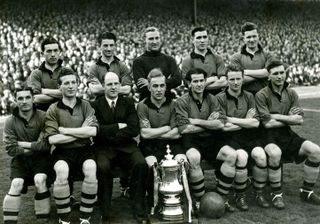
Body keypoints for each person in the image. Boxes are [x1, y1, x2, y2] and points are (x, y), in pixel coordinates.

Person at [255, 60, 320, 209]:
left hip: (286, 134)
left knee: (315, 151)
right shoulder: (261, 94)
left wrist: (276, 116)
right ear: (269, 77)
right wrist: (289, 118)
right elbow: (267, 124)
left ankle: (306, 191)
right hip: (267, 135)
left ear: (285, 73)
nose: (279, 76)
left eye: (281, 72)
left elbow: (299, 120)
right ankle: (276, 194)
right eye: (275, 73)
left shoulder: (291, 93)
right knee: (275, 153)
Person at [174, 68, 236, 212]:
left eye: (202, 80)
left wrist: (195, 121)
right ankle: (200, 200)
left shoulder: (212, 99)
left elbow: (220, 123)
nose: (199, 84)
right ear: (189, 83)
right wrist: (209, 124)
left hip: (212, 139)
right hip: (192, 140)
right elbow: (184, 129)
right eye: (195, 81)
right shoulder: (182, 101)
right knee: (194, 158)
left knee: (232, 155)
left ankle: (221, 199)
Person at [91, 72, 148, 224]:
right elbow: (96, 131)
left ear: (120, 85)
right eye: (109, 84)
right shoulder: (95, 104)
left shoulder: (128, 102)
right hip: (104, 148)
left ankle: (139, 208)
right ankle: (106, 212)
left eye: (116, 83)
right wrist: (117, 126)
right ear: (103, 86)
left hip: (126, 147)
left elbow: (134, 128)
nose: (113, 87)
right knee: (102, 167)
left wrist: (110, 133)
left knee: (141, 164)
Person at [44, 69, 98, 224]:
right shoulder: (53, 109)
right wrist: (82, 130)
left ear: (78, 84)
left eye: (73, 82)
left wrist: (66, 130)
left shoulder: (86, 105)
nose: (70, 86)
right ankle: (64, 218)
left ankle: (85, 217)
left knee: (91, 168)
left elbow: (93, 131)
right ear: (60, 87)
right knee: (61, 170)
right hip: (62, 152)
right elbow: (54, 139)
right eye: (66, 83)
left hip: (84, 150)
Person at [216, 65, 270, 211]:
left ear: (243, 79)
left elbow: (255, 123)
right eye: (232, 79)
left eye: (238, 79)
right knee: (242, 156)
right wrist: (245, 121)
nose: (235, 82)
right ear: (226, 80)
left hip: (249, 137)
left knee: (261, 156)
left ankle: (259, 194)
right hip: (228, 139)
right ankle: (240, 196)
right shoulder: (219, 98)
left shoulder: (249, 96)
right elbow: (223, 126)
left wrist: (231, 119)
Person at [137, 68, 187, 211]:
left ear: (166, 86)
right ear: (149, 87)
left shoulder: (173, 104)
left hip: (172, 144)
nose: (159, 90)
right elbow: (145, 134)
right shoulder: (142, 105)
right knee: (152, 167)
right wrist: (166, 128)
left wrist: (155, 132)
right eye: (155, 86)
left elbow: (176, 134)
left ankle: (179, 199)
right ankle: (155, 202)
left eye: (162, 86)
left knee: (183, 162)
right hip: (149, 145)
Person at [2, 84, 51, 223]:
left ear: (33, 99)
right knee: (16, 183)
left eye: (27, 97)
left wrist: (22, 144)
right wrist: (35, 147)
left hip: (41, 159)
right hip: (20, 160)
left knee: (40, 180)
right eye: (20, 98)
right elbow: (11, 149)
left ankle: (43, 220)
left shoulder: (43, 116)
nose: (24, 101)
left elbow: (46, 145)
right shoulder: (10, 121)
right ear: (16, 100)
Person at [132, 26, 181, 101]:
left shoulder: (169, 59)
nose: (154, 42)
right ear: (144, 41)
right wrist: (167, 82)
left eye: (157, 38)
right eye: (151, 39)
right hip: (147, 104)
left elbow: (177, 80)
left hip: (167, 102)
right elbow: (142, 88)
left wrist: (149, 82)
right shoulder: (138, 61)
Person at [28, 37, 74, 111]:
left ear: (60, 52)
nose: (53, 54)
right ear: (42, 54)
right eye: (49, 51)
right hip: (43, 115)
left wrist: (44, 91)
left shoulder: (67, 71)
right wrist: (60, 94)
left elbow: (70, 94)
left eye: (55, 51)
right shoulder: (36, 73)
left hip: (65, 114)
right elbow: (35, 98)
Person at [230, 22, 275, 95]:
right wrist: (262, 75)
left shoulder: (268, 55)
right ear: (243, 39)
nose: (252, 39)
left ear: (258, 37)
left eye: (254, 36)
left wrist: (245, 72)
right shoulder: (236, 57)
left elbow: (269, 73)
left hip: (266, 97)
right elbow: (238, 79)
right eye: (248, 37)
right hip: (244, 99)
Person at [181, 27, 227, 95]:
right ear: (192, 40)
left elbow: (224, 82)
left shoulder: (217, 58)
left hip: (217, 98)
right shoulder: (187, 61)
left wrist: (201, 85)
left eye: (205, 37)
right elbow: (190, 86)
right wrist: (213, 79)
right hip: (198, 100)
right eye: (199, 38)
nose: (202, 40)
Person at [87, 32, 132, 97]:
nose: (109, 49)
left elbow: (127, 90)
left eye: (111, 45)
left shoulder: (122, 66)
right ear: (99, 46)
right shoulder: (94, 68)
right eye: (105, 45)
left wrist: (102, 87)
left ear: (115, 46)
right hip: (100, 105)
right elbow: (94, 90)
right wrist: (118, 88)